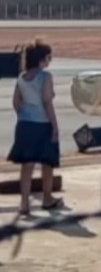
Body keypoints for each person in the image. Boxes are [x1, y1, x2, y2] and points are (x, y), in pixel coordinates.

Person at [7, 38, 63, 215]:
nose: (49, 61)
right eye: (48, 58)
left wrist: (23, 115)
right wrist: (54, 126)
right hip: (43, 125)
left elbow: (16, 101)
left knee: (27, 166)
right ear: (41, 59)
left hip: (25, 125)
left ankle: (24, 202)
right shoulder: (45, 77)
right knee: (47, 164)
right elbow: (47, 102)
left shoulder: (21, 78)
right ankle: (47, 198)